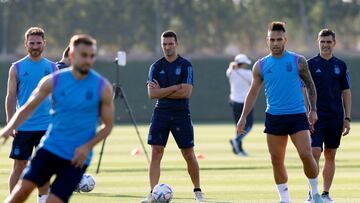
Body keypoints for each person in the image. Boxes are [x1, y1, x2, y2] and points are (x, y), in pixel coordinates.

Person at [0, 34, 114, 203]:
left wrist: (87, 147)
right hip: (50, 148)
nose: (88, 60)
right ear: (73, 56)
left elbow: (108, 126)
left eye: (92, 56)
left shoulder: (102, 87)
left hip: (77, 158)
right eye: (84, 55)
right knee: (20, 193)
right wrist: (10, 126)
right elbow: (27, 108)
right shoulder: (53, 80)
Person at [236, 21, 323, 203]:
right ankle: (284, 199)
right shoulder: (260, 65)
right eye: (272, 40)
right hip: (274, 117)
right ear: (267, 41)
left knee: (306, 154)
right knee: (276, 160)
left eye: (279, 39)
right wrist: (243, 117)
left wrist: (313, 109)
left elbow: (310, 84)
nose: (275, 43)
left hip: (297, 115)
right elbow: (252, 92)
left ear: (285, 39)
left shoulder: (298, 61)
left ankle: (314, 193)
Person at [141, 30, 205, 203]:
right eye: (164, 44)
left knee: (188, 153)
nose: (167, 47)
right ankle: (153, 193)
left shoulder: (185, 65)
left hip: (180, 113)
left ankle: (198, 191)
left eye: (170, 44)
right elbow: (151, 94)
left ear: (176, 44)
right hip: (161, 112)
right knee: (156, 152)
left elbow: (186, 93)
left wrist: (162, 91)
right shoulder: (156, 66)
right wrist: (174, 88)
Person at [5, 27, 57, 203]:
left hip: (47, 126)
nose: (35, 46)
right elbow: (10, 96)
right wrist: (11, 122)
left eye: (38, 43)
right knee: (19, 166)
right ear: (26, 44)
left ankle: (42, 200)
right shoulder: (16, 68)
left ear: (44, 43)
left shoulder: (52, 67)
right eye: (32, 43)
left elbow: (59, 97)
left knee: (43, 167)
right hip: (24, 126)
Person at [306, 29, 351, 203]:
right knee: (314, 152)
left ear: (334, 43)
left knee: (330, 154)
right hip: (316, 115)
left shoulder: (341, 65)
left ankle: (325, 194)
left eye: (328, 42)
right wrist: (308, 110)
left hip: (335, 116)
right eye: (322, 42)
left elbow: (346, 92)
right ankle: (313, 193)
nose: (325, 45)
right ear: (318, 42)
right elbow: (304, 89)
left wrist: (347, 118)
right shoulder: (309, 64)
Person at [226, 54, 253, 156]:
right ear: (244, 63)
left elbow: (230, 69)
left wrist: (233, 65)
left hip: (234, 102)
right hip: (245, 103)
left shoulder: (231, 72)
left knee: (238, 125)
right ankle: (236, 140)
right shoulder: (248, 73)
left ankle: (239, 149)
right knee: (249, 125)